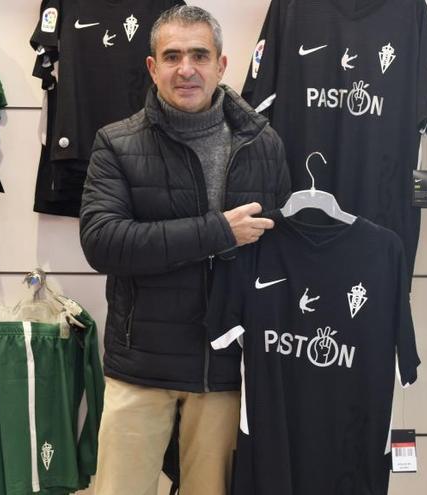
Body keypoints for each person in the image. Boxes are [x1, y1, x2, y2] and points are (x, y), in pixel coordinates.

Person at [79, 5, 291, 494]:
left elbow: (280, 254)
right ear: (153, 67)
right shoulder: (116, 143)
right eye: (172, 56)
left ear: (222, 64)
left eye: (199, 54)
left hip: (224, 369)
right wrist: (218, 231)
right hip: (140, 367)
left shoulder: (266, 145)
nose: (186, 68)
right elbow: (103, 242)